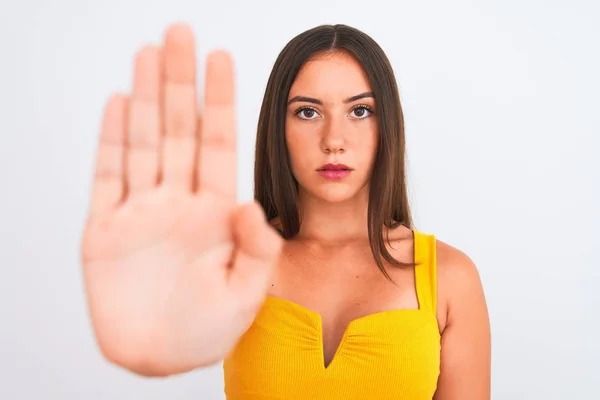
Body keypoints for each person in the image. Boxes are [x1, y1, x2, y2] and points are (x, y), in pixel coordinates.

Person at [80, 22, 491, 399]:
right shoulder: (235, 262)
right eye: (308, 112)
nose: (334, 139)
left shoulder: (451, 278)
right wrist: (155, 346)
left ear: (389, 127)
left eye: (360, 111)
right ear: (279, 128)